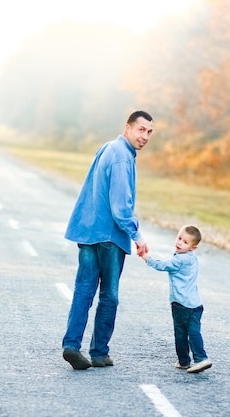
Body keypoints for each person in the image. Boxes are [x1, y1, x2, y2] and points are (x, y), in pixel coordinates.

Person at [61, 110, 154, 370]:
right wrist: (136, 234)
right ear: (128, 128)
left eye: (149, 132)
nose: (145, 136)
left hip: (88, 230)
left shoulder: (108, 148)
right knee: (109, 296)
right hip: (109, 237)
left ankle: (71, 345)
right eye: (141, 129)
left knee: (83, 290)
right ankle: (99, 352)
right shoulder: (123, 158)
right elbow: (120, 207)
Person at [141, 225, 212, 373]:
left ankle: (185, 361)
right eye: (179, 238)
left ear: (193, 248)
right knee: (194, 331)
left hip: (181, 304)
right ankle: (200, 358)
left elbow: (162, 265)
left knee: (181, 332)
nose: (180, 243)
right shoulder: (192, 258)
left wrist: (147, 258)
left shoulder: (180, 260)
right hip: (196, 304)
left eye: (185, 242)